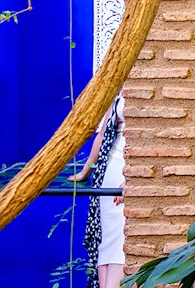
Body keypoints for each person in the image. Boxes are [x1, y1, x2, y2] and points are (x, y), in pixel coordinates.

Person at [67, 94, 125, 288]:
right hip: (108, 172)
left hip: (127, 173)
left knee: (121, 241)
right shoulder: (117, 87)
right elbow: (102, 135)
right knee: (106, 241)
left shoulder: (146, 84)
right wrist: (86, 171)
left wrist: (134, 179)